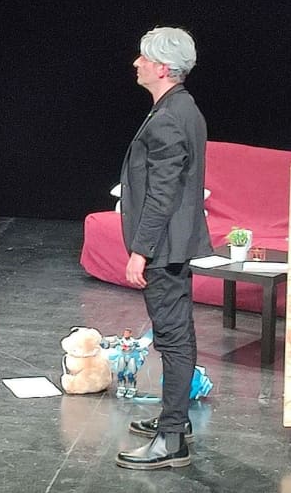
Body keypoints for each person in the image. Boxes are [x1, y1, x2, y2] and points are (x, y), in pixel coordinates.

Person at [115, 27, 212, 470]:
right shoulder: (180, 108)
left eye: (143, 57)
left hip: (164, 247)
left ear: (162, 68)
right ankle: (176, 421)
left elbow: (162, 194)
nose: (136, 63)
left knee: (172, 340)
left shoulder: (171, 116)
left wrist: (141, 250)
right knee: (178, 336)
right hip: (172, 243)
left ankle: (171, 440)